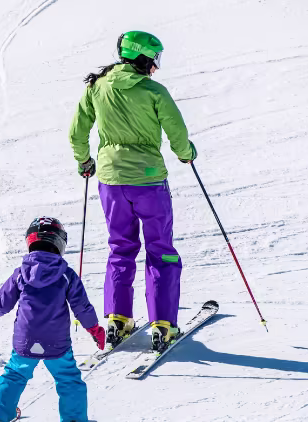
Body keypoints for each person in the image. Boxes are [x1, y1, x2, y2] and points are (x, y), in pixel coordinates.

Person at [68, 31, 197, 352]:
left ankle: (117, 319)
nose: (156, 67)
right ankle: (163, 324)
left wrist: (85, 160)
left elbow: (77, 131)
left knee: (121, 248)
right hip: (149, 180)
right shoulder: (154, 91)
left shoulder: (96, 87)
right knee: (161, 250)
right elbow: (176, 129)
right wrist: (186, 152)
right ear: (142, 58)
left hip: (111, 181)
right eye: (154, 60)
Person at [0, 217, 106, 422]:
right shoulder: (66, 275)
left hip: (25, 341)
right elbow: (82, 306)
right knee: (68, 378)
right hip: (56, 343)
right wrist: (94, 328)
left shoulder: (21, 272)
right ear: (60, 243)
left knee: (14, 375)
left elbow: (3, 300)